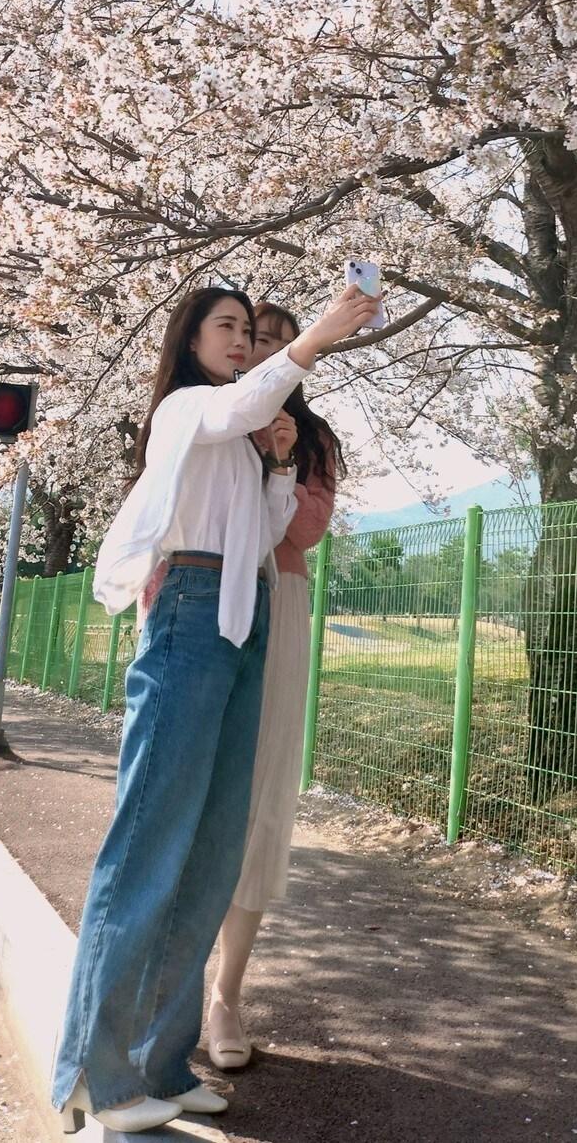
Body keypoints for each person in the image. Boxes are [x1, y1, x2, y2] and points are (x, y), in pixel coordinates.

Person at [52, 280, 377, 1136]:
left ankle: (165, 1060)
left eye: (246, 329)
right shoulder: (186, 411)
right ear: (190, 341)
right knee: (150, 844)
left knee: (211, 850)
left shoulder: (240, 434)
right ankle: (100, 1074)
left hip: (248, 615)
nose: (240, 339)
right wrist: (314, 339)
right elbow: (240, 402)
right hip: (192, 613)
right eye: (226, 327)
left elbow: (272, 524)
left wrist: (276, 462)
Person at [206, 300, 344, 1069]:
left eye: (280, 345)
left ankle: (225, 994)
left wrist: (285, 461)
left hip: (278, 597)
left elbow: (307, 531)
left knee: (261, 794)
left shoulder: (310, 436)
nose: (259, 353)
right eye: (250, 339)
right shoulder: (206, 413)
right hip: (195, 599)